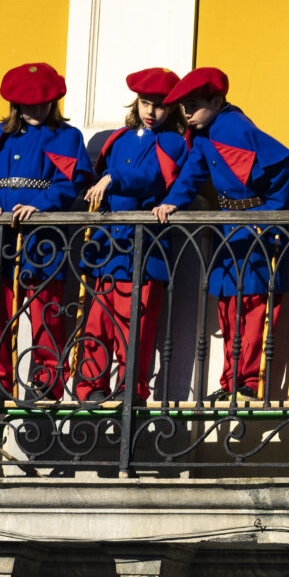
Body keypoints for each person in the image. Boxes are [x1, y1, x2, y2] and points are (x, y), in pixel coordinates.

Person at [153, 67, 289, 400]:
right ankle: (232, 380)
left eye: (194, 106)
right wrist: (172, 201)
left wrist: (269, 216)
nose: (187, 114)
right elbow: (191, 174)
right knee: (230, 306)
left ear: (216, 102)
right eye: (184, 107)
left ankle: (247, 382)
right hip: (230, 228)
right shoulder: (203, 133)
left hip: (258, 230)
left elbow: (281, 169)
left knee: (253, 305)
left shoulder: (235, 127)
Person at [0, 62, 90, 400]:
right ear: (15, 104)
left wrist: (41, 205)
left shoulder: (67, 137)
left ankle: (46, 381)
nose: (36, 110)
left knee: (46, 310)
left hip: (44, 240)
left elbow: (69, 183)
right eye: (29, 104)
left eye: (43, 103)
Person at [75, 68, 189, 403]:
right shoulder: (118, 139)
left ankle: (130, 389)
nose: (152, 112)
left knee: (134, 326)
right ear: (136, 102)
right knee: (97, 323)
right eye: (145, 103)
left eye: (160, 105)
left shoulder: (173, 142)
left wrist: (113, 177)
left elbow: (155, 177)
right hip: (107, 247)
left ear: (172, 108)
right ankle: (92, 386)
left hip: (144, 249)